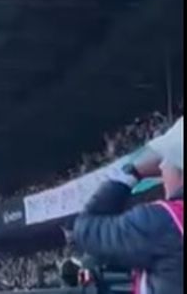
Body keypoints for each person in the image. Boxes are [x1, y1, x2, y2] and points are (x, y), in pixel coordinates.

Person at [73, 117, 183, 294]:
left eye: (166, 161)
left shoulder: (160, 222)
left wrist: (132, 172)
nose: (161, 168)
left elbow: (85, 229)